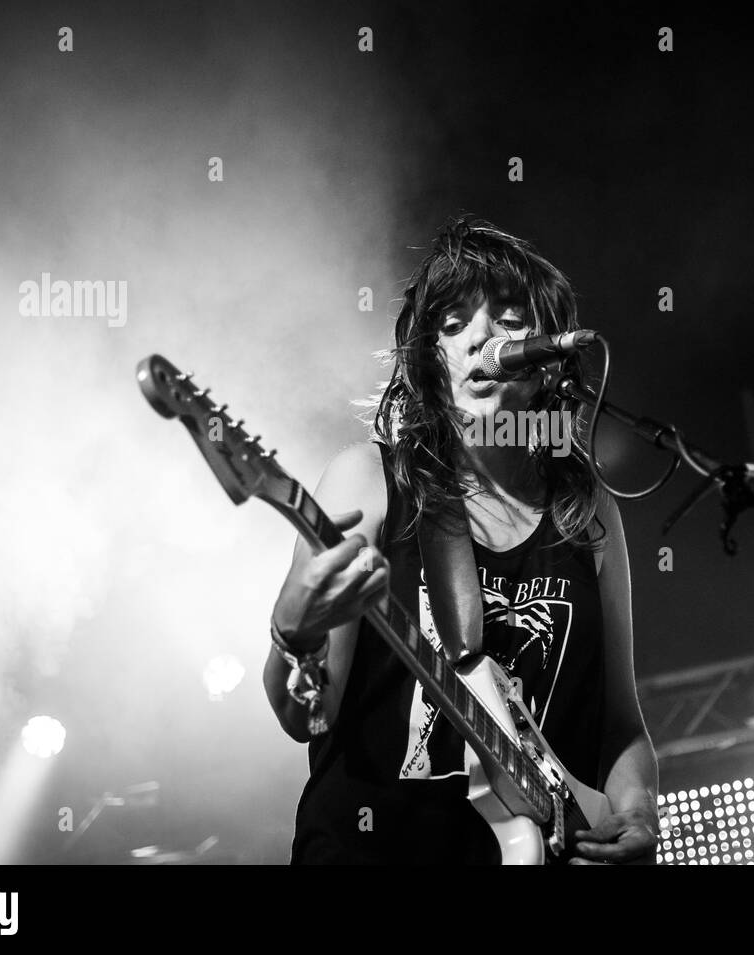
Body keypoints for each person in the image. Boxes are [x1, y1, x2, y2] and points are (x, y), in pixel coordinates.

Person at [264, 216, 659, 864]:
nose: (478, 338)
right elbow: (303, 715)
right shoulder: (371, 480)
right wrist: (291, 633)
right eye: (451, 324)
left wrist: (637, 812)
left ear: (544, 359)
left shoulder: (585, 512)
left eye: (504, 318)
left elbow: (620, 725)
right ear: (430, 358)